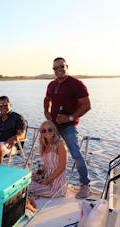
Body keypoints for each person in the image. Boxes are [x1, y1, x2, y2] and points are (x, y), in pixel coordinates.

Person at [43, 57, 92, 198]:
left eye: (61, 66)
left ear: (67, 67)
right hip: (54, 127)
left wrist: (70, 117)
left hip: (68, 127)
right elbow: (47, 99)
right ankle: (53, 180)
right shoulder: (51, 85)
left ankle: (85, 185)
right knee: (49, 154)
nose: (58, 70)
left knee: (75, 154)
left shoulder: (76, 84)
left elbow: (87, 105)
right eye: (55, 68)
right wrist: (46, 112)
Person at [29, 120, 68, 198]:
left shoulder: (59, 144)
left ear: (54, 131)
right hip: (47, 175)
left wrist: (48, 180)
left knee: (27, 186)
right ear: (41, 133)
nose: (47, 132)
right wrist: (39, 173)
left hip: (56, 181)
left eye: (50, 129)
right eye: (44, 130)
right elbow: (46, 165)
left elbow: (62, 166)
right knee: (25, 178)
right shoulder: (45, 145)